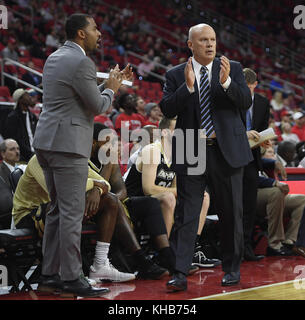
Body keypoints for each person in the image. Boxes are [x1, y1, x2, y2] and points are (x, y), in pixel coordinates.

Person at [32, 13, 128, 298]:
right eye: (95, 28)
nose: (100, 33)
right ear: (81, 34)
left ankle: (49, 276)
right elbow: (98, 105)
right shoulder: (83, 61)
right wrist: (111, 89)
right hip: (68, 144)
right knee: (71, 214)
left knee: (56, 211)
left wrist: (111, 85)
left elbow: (78, 98)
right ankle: (72, 277)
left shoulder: (55, 57)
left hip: (47, 141)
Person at [160, 23, 253, 291]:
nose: (210, 44)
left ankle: (232, 268)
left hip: (225, 151)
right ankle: (179, 272)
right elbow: (166, 107)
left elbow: (245, 102)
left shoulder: (232, 68)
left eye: (212, 39)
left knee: (230, 213)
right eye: (203, 40)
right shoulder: (177, 74)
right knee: (186, 213)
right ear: (190, 44)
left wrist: (225, 83)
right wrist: (187, 88)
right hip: (192, 149)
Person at [12, 155, 136, 285]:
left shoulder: (74, 158)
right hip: (29, 215)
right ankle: (66, 272)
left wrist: (97, 190)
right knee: (64, 204)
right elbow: (57, 190)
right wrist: (93, 183)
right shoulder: (40, 158)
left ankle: (100, 264)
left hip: (60, 208)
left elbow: (105, 184)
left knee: (110, 200)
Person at [90, 123, 176, 276]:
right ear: (94, 142)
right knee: (113, 201)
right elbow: (99, 188)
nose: (113, 146)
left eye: (114, 142)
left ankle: (165, 254)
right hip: (91, 209)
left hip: (114, 205)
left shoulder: (110, 161)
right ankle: (141, 260)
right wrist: (109, 164)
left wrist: (113, 201)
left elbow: (122, 190)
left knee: (151, 203)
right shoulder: (85, 161)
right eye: (108, 142)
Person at [240, 68, 270, 261]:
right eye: (245, 88)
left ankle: (247, 247)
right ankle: (233, 248)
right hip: (231, 157)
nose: (248, 91)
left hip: (252, 158)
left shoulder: (262, 102)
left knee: (249, 205)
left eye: (250, 88)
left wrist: (265, 140)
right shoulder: (232, 100)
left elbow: (263, 128)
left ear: (255, 85)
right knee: (235, 205)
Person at [2, 89, 38, 162]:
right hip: (23, 157)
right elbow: (16, 139)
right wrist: (29, 153)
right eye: (27, 95)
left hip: (35, 154)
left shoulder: (32, 116)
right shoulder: (13, 117)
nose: (30, 97)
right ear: (20, 100)